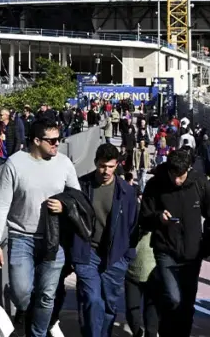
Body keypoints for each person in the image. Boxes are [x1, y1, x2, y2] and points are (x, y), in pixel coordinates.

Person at [0, 119, 79, 337]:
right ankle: (26, 313)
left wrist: (64, 204)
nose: (57, 144)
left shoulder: (64, 163)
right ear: (36, 141)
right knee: (21, 294)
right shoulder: (15, 163)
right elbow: (2, 204)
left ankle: (37, 333)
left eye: (59, 139)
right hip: (21, 236)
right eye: (52, 141)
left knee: (47, 295)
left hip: (53, 238)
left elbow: (77, 198)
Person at [140, 150, 210, 337]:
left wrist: (206, 245)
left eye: (181, 176)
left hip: (192, 254)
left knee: (186, 303)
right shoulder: (155, 185)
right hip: (165, 250)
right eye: (173, 175)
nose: (177, 180)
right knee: (173, 298)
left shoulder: (200, 183)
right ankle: (165, 330)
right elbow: (143, 218)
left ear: (188, 170)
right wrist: (158, 217)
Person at [70, 144, 138, 337]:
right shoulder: (82, 186)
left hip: (115, 256)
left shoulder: (126, 192)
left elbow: (133, 226)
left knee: (109, 304)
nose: (105, 171)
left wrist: (127, 257)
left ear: (117, 165)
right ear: (95, 164)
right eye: (102, 166)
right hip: (87, 252)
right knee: (92, 299)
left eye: (110, 166)